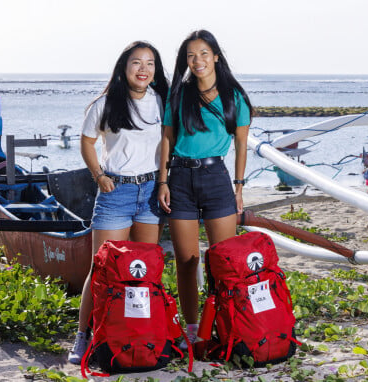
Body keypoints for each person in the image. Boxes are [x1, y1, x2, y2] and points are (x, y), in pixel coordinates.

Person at [68, 41, 169, 365]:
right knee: (102, 269)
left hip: (151, 193)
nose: (144, 69)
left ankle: (139, 336)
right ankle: (83, 336)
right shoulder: (106, 103)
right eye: (137, 63)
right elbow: (87, 142)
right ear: (124, 68)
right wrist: (99, 175)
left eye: (150, 63)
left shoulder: (161, 102)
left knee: (143, 273)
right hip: (116, 194)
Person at [157, 30, 252, 347]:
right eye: (190, 56)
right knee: (187, 261)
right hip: (180, 180)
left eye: (203, 54)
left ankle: (226, 324)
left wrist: (238, 188)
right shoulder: (179, 95)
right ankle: (192, 329)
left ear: (216, 57)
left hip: (217, 179)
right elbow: (167, 139)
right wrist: (163, 181)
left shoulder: (234, 97)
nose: (197, 61)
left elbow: (241, 146)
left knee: (223, 261)